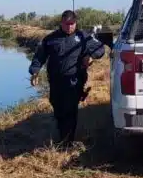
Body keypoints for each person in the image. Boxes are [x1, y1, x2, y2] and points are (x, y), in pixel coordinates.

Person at [29, 10, 106, 147]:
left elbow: (100, 49)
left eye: (72, 24)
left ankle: (67, 142)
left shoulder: (83, 37)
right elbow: (40, 56)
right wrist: (34, 72)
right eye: (67, 24)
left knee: (70, 110)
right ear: (61, 23)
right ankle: (63, 134)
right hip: (55, 81)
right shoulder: (51, 39)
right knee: (58, 108)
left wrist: (90, 56)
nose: (70, 27)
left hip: (74, 81)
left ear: (76, 23)